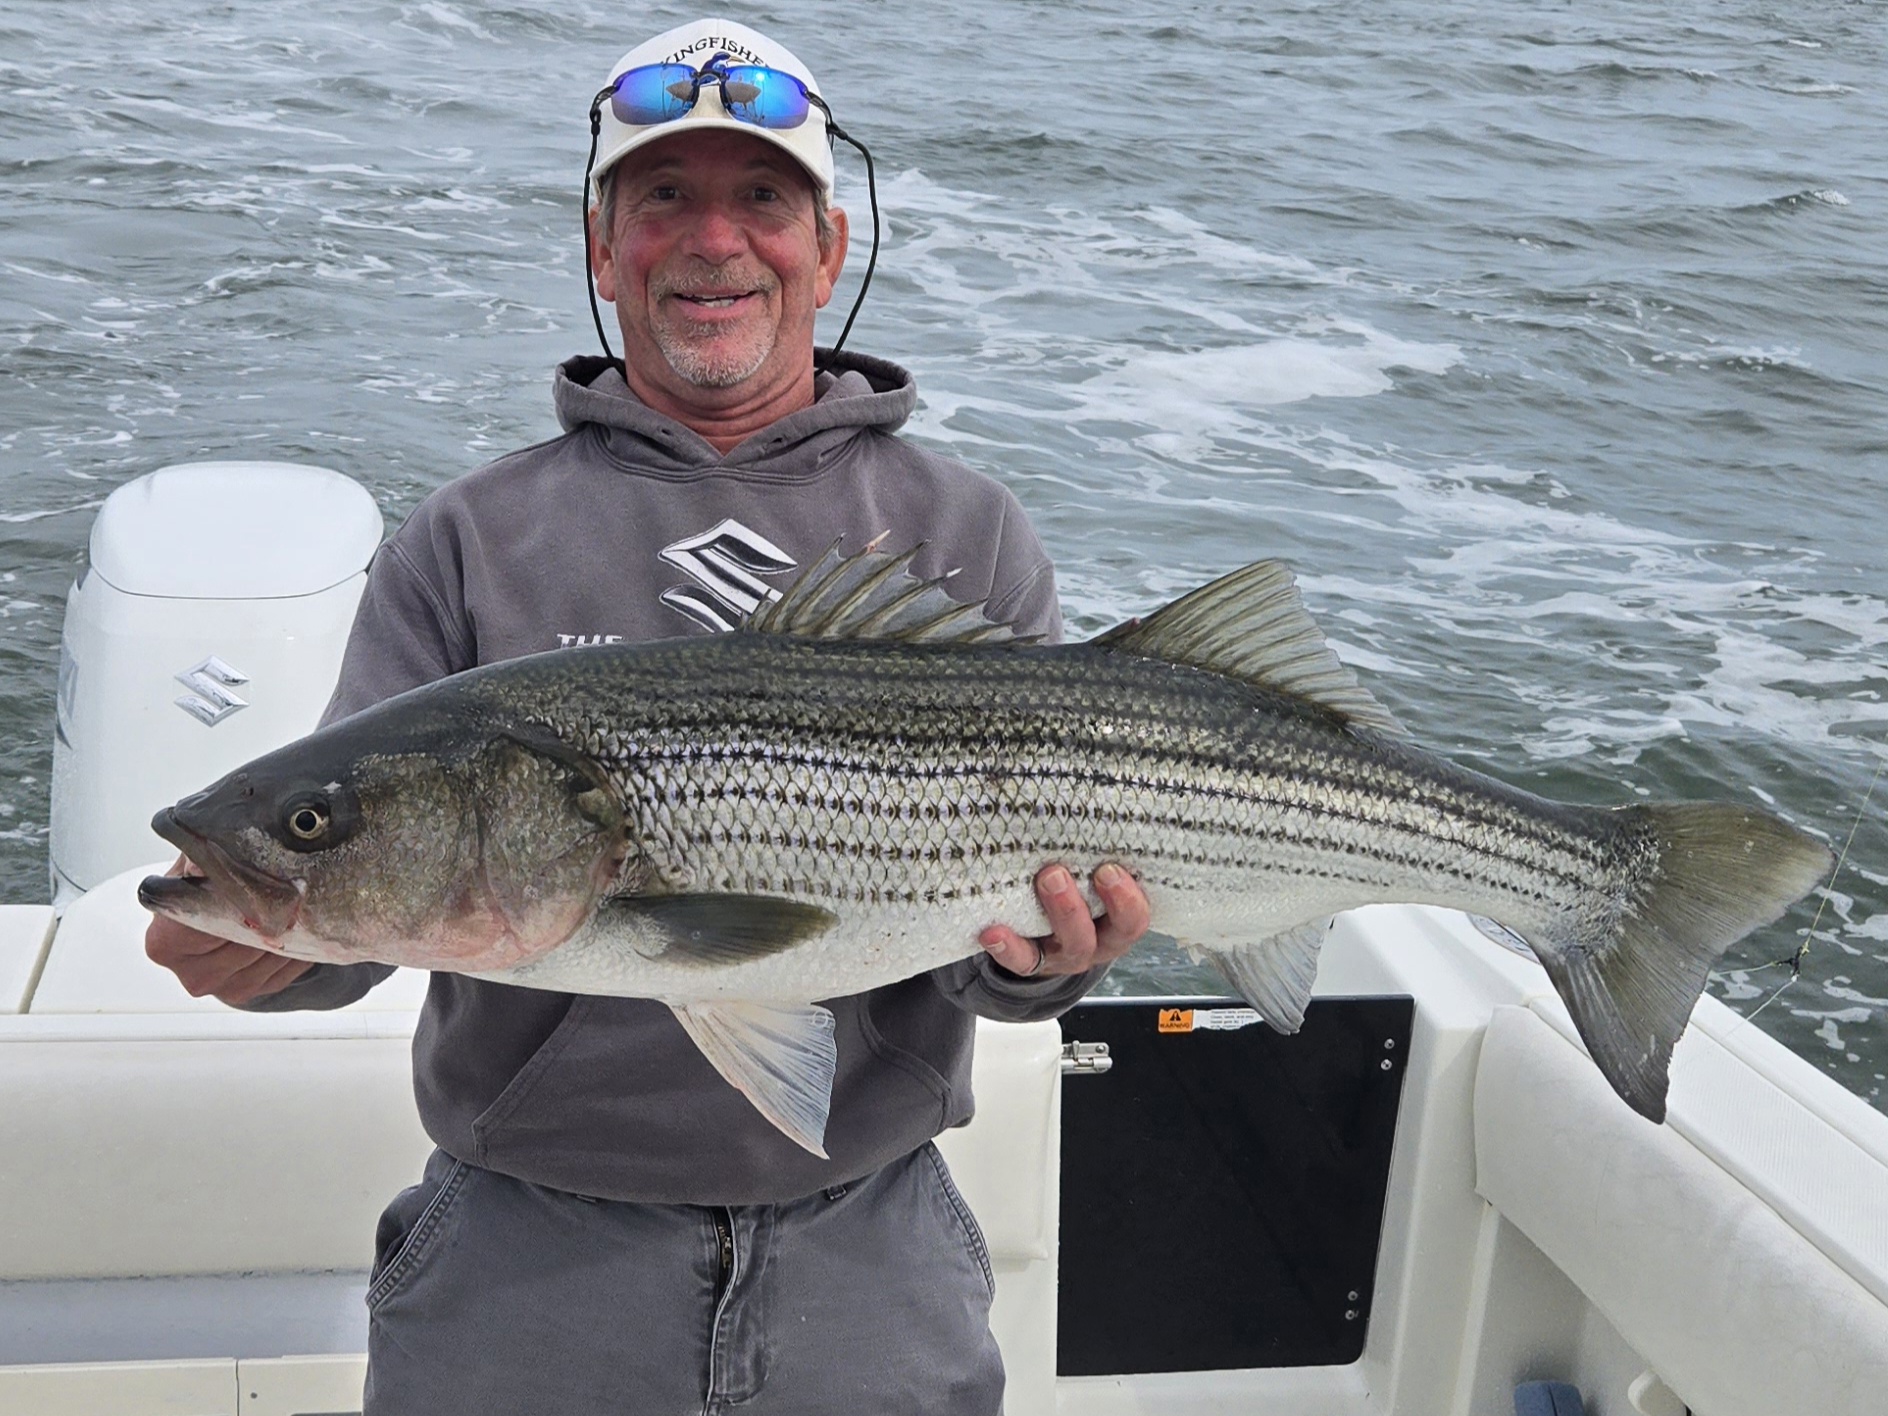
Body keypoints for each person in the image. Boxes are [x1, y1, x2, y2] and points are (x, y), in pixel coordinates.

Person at [144, 17, 1150, 1415]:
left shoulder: (962, 529)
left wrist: (1049, 963)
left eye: (763, 200)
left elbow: (986, 961)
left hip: (873, 1252)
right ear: (603, 249)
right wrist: (276, 947)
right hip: (520, 1259)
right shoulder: (467, 539)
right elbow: (380, 900)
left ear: (829, 244)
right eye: (663, 197)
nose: (715, 241)